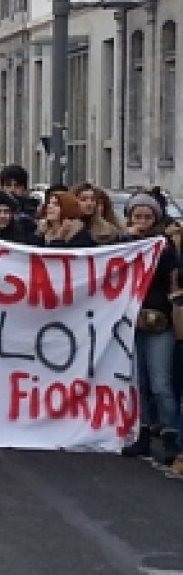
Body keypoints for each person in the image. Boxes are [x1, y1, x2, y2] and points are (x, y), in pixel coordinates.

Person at [120, 192, 181, 465]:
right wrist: (127, 240)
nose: (142, 222)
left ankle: (170, 436)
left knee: (160, 383)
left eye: (148, 217)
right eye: (137, 217)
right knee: (139, 382)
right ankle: (142, 433)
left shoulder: (164, 246)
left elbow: (172, 274)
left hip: (160, 320)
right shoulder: (124, 242)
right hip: (133, 320)